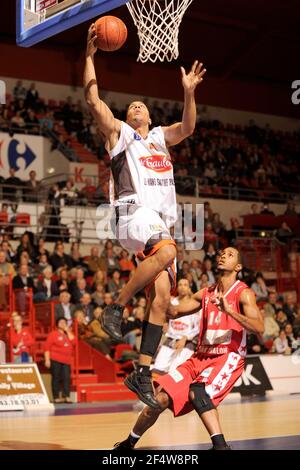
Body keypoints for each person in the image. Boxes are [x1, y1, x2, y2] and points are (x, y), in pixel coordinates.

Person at [84, 24, 206, 407]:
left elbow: (187, 127)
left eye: (141, 105)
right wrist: (89, 57)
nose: (135, 107)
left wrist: (188, 94)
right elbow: (94, 101)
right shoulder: (120, 133)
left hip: (158, 224)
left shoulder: (158, 137)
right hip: (132, 212)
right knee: (169, 253)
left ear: (150, 115)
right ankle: (115, 308)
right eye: (130, 105)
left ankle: (141, 372)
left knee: (162, 301)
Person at [113, 247, 264, 450]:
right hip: (200, 357)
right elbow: (173, 311)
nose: (222, 255)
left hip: (227, 357)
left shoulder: (243, 293)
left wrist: (230, 311)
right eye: (222, 253)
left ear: (237, 267)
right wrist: (154, 283)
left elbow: (259, 327)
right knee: (159, 399)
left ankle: (221, 447)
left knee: (198, 392)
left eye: (229, 255)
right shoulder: (206, 292)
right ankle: (128, 444)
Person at [152, 279, 200, 374]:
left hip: (187, 342)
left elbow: (198, 327)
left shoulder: (194, 303)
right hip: (170, 339)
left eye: (185, 285)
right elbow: (164, 316)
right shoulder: (172, 302)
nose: (182, 287)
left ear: (189, 288)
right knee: (157, 369)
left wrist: (186, 338)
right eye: (180, 285)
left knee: (174, 371)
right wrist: (165, 322)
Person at [44, 317, 75, 404]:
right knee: (56, 378)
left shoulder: (68, 334)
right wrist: (47, 360)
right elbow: (47, 347)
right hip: (55, 359)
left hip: (66, 360)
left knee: (66, 378)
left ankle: (67, 396)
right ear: (57, 325)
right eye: (60, 322)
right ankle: (56, 397)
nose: (62, 323)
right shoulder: (53, 334)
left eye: (64, 322)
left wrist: (68, 331)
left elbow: (74, 342)